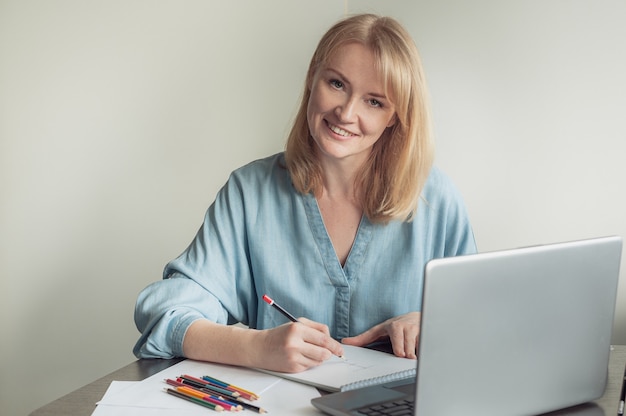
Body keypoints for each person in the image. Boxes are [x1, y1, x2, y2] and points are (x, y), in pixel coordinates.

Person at [133, 13, 476, 373]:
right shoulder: (249, 193)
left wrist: (434, 323)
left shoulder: (436, 201)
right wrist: (257, 347)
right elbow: (166, 313)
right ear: (313, 76)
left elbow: (482, 321)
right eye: (337, 84)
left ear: (394, 116)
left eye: (374, 101)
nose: (346, 113)